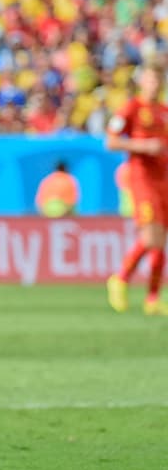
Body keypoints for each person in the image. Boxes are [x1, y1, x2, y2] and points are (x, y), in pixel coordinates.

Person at [105, 63, 168, 316]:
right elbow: (111, 141)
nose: (154, 85)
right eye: (150, 80)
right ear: (142, 82)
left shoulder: (164, 111)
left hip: (163, 179)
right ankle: (120, 278)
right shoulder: (131, 108)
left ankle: (152, 298)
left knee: (160, 242)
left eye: (158, 80)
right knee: (152, 237)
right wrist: (144, 146)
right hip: (142, 179)